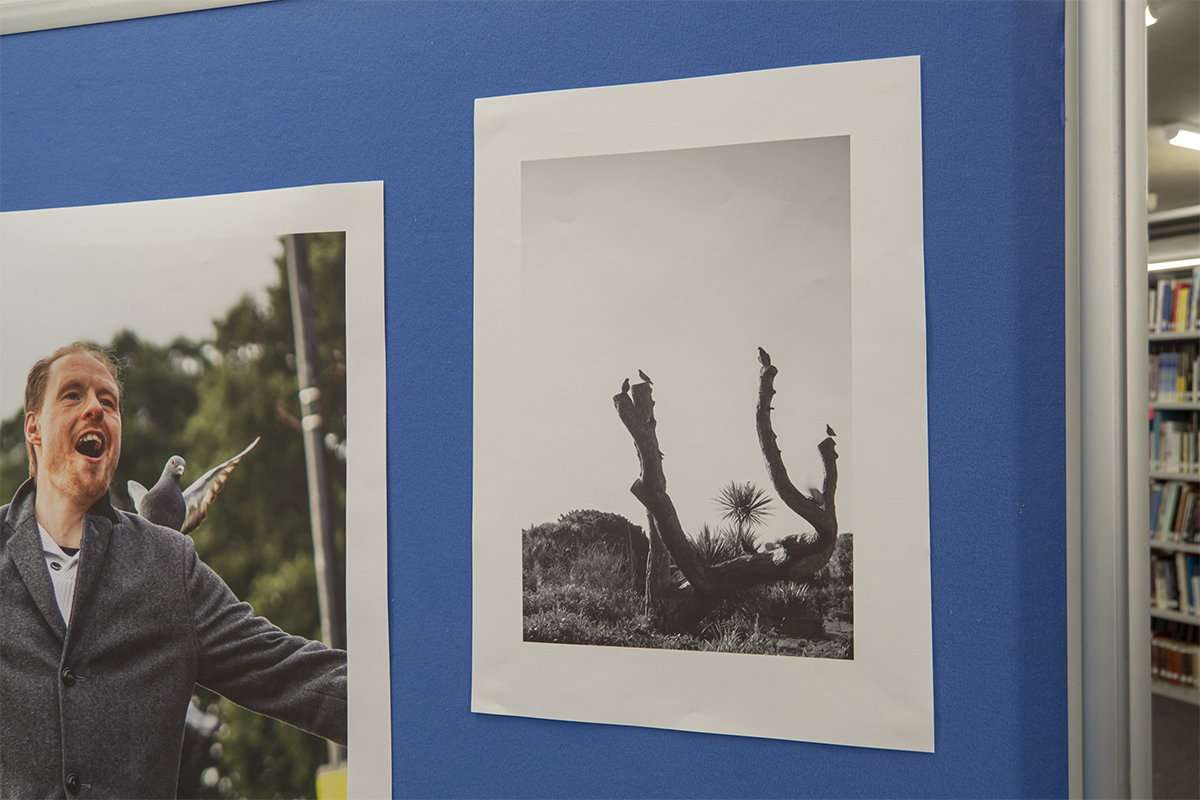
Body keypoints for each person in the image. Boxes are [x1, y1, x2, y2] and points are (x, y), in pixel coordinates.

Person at [0, 343, 346, 798]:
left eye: (109, 402)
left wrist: (431, 701)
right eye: (72, 395)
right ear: (34, 428)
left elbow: (291, 673)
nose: (95, 409)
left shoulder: (167, 565)